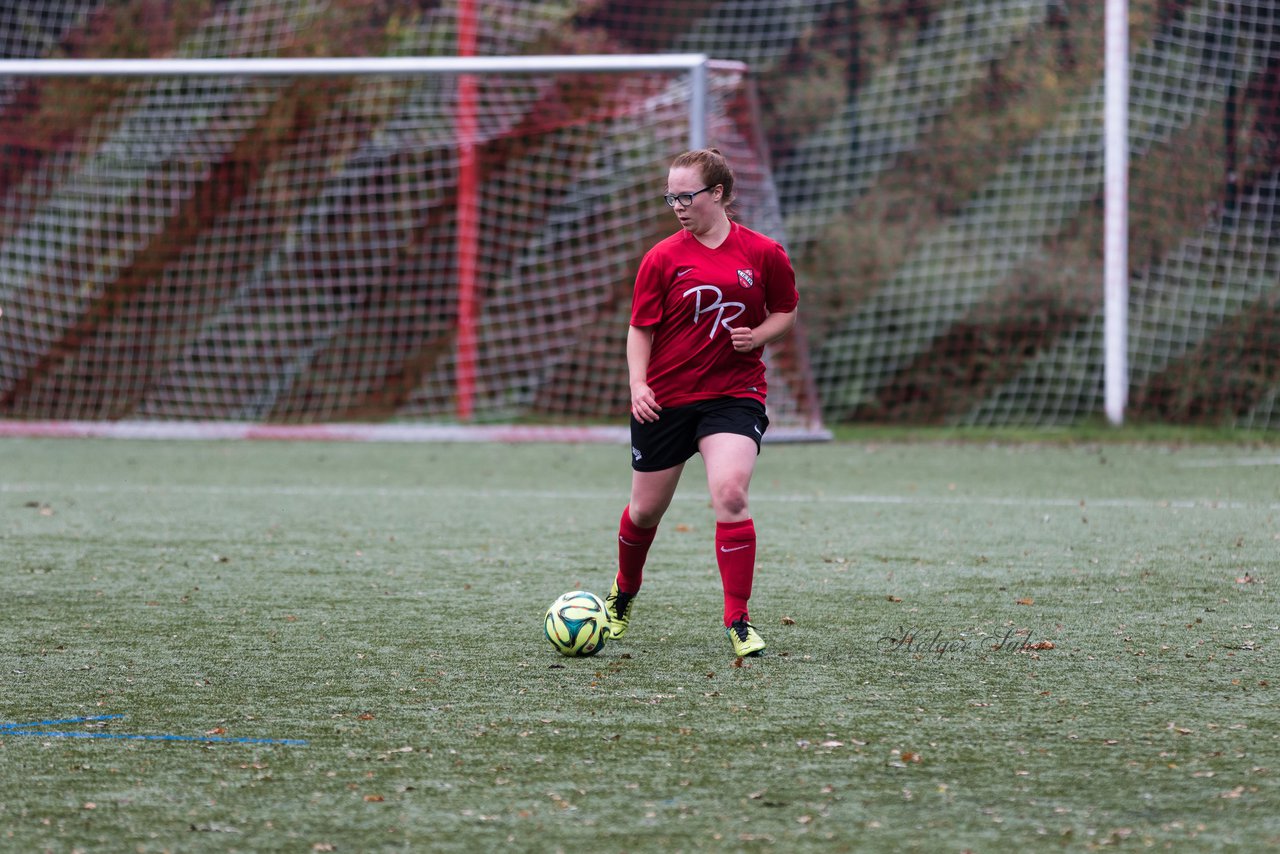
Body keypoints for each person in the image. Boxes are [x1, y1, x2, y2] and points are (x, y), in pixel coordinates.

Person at [604, 148, 799, 657]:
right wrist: (638, 386)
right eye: (670, 196)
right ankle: (623, 593)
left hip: (733, 398)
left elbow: (786, 312)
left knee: (730, 493)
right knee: (644, 512)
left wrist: (757, 337)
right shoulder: (662, 257)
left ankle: (738, 619)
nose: (677, 205)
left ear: (717, 193)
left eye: (685, 195)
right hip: (665, 400)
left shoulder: (764, 254)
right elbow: (639, 329)